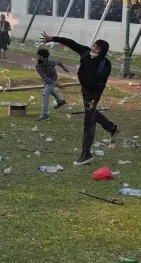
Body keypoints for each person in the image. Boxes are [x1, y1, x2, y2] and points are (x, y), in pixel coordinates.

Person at [40, 32, 119, 165]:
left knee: (88, 122)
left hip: (93, 94)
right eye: (94, 46)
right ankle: (112, 128)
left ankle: (86, 154)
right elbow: (71, 42)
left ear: (102, 51)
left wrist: (95, 98)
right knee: (91, 114)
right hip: (84, 90)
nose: (94, 49)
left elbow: (101, 83)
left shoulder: (105, 64)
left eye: (97, 48)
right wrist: (53, 39)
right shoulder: (85, 52)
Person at [35, 48, 69, 121]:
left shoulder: (51, 62)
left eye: (40, 58)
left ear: (46, 57)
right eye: (38, 57)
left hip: (54, 78)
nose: (38, 59)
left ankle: (45, 114)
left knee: (45, 94)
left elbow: (59, 62)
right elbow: (45, 78)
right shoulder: (38, 66)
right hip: (47, 80)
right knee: (50, 91)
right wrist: (57, 84)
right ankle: (60, 101)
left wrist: (64, 68)